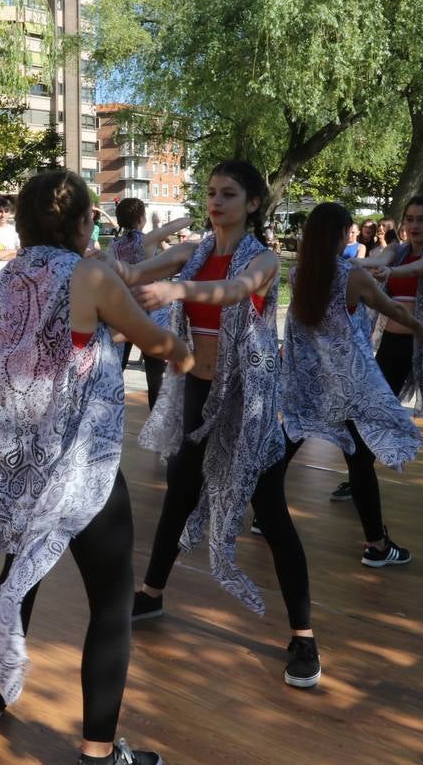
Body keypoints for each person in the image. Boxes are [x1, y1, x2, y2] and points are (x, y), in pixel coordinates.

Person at [0, 169, 191, 765]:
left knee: (19, 568)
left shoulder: (9, 276)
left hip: (18, 459)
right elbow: (153, 342)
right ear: (83, 222)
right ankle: (100, 758)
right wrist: (192, 356)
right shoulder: (87, 273)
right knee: (111, 602)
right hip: (79, 461)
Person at [119, 160, 321, 689]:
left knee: (272, 512)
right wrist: (78, 262)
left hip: (249, 401)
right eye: (210, 192)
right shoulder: (192, 253)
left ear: (252, 203)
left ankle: (303, 637)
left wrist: (178, 293)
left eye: (228, 194)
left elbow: (236, 292)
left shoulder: (264, 260)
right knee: (180, 490)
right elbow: (134, 274)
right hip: (199, 392)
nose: (216, 201)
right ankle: (151, 594)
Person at [282, 203, 423, 567]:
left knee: (288, 440)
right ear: (339, 234)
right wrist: (421, 329)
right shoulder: (349, 277)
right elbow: (394, 310)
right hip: (347, 382)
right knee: (359, 459)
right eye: (348, 231)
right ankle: (377, 545)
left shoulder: (299, 273)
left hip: (310, 377)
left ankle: (264, 513)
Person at [350, 195, 423, 522]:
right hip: (393, 347)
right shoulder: (395, 251)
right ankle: (358, 477)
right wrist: (345, 262)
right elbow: (375, 260)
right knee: (371, 412)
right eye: (410, 219)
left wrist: (389, 270)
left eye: (421, 220)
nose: (414, 226)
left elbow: (418, 268)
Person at [107, 199, 190, 410]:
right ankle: (156, 416)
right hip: (150, 307)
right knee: (155, 371)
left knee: (116, 367)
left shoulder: (114, 245)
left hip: (124, 307)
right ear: (141, 218)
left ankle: (108, 408)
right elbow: (179, 223)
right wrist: (159, 224)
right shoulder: (147, 241)